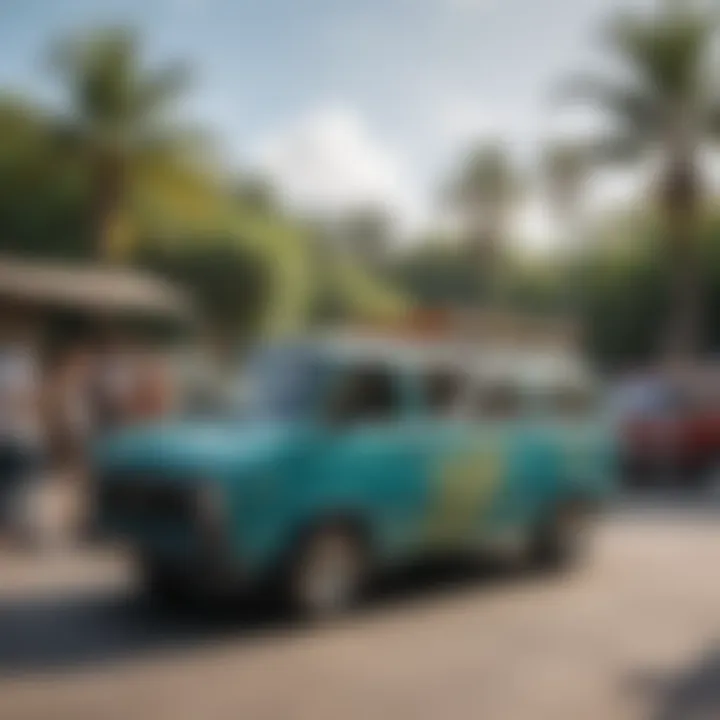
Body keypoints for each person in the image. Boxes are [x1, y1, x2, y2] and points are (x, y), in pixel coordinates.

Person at [0, 342, 44, 541]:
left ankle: (13, 526)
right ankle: (17, 527)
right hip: (18, 437)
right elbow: (31, 401)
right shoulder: (21, 368)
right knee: (20, 485)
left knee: (15, 485)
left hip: (16, 436)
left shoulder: (20, 366)